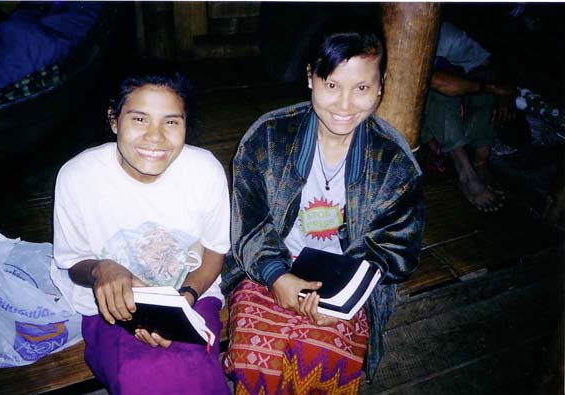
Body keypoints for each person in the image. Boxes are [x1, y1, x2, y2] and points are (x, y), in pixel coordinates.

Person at [222, 18, 424, 394]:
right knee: (256, 356)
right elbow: (249, 225)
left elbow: (398, 251)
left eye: (362, 87)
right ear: (311, 77)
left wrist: (343, 303)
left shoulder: (393, 162)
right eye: (332, 85)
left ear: (380, 87)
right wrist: (276, 276)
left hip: (349, 283)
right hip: (267, 267)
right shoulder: (268, 138)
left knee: (322, 358)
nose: (345, 105)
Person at [51, 63, 231, 395]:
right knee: (139, 374)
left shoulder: (204, 171)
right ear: (113, 119)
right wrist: (101, 268)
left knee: (193, 368)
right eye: (139, 119)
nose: (155, 137)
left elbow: (215, 251)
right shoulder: (78, 177)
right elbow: (73, 262)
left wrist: (182, 303)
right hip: (110, 308)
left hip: (192, 294)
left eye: (171, 122)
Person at [421, 21, 517, 212]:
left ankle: (480, 161)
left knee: (485, 77)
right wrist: (493, 89)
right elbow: (438, 82)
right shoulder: (396, 34)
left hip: (453, 103)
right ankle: (466, 173)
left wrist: (503, 94)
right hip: (417, 115)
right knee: (439, 91)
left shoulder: (442, 33)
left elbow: (490, 65)